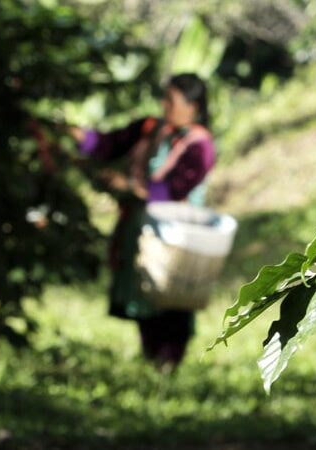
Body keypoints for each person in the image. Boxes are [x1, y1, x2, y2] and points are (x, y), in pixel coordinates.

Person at [70, 73, 216, 369]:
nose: (164, 106)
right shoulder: (151, 128)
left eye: (171, 101)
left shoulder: (200, 145)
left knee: (174, 297)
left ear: (193, 106)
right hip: (143, 228)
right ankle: (152, 357)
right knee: (145, 292)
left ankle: (170, 358)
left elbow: (176, 188)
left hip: (179, 233)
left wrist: (131, 188)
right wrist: (78, 137)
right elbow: (110, 144)